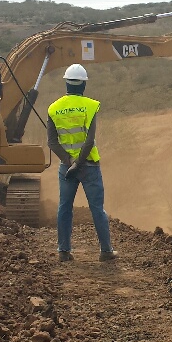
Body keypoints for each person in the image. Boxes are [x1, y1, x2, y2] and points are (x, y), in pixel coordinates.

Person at [47, 64, 116, 263]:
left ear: (66, 82)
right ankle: (106, 251)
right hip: (89, 165)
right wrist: (79, 162)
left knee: (64, 207)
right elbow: (89, 140)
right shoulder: (91, 105)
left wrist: (69, 162)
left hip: (66, 167)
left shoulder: (54, 108)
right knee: (97, 208)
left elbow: (51, 142)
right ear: (84, 84)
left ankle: (63, 251)